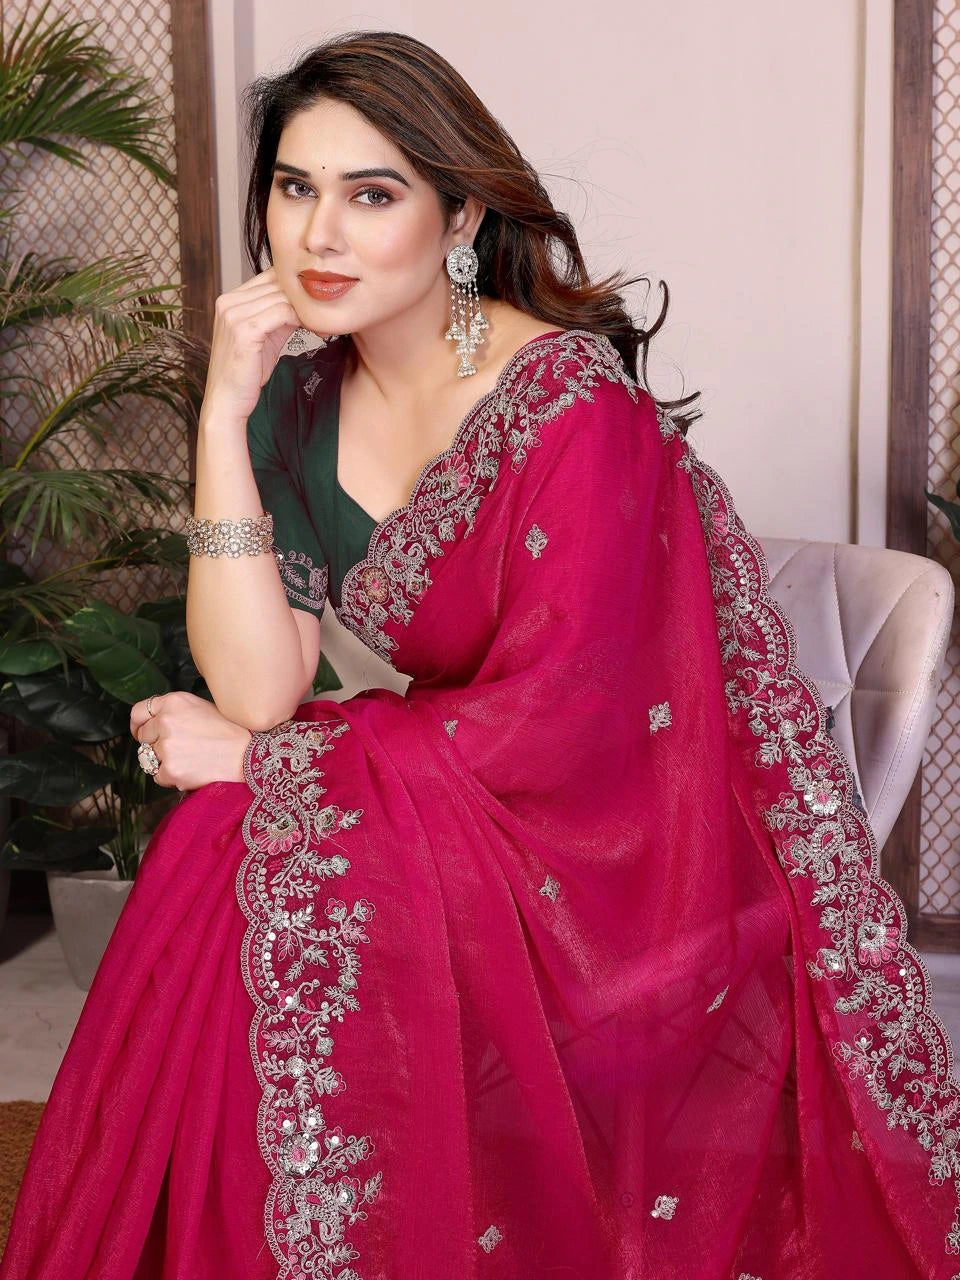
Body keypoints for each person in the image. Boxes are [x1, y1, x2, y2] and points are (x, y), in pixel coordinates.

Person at [1, 28, 957, 1280]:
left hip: (624, 839)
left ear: (457, 219)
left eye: (372, 194)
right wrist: (223, 417)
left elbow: (574, 727)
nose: (320, 237)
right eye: (295, 189)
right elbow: (262, 682)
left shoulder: (567, 404)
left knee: (249, 830)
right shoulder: (301, 395)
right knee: (230, 842)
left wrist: (266, 764)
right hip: (469, 804)